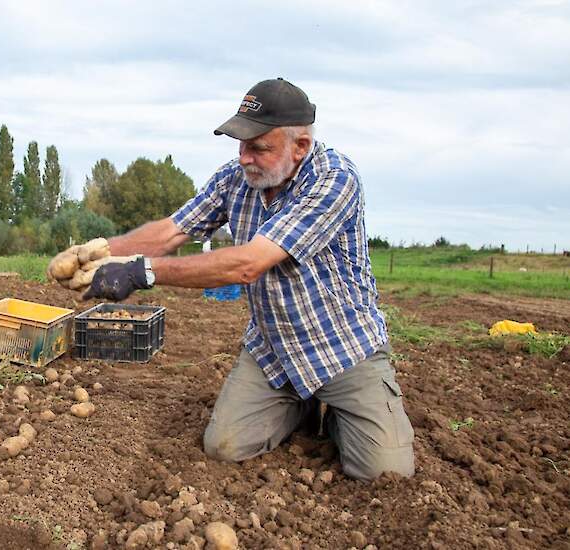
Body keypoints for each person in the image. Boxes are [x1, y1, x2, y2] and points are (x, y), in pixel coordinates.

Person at [59, 78, 414, 480]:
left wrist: (140, 271)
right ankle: (297, 404)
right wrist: (104, 251)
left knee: (385, 474)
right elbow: (174, 230)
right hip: (273, 349)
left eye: (259, 147)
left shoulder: (335, 180)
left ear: (300, 147)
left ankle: (338, 412)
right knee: (223, 446)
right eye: (241, 144)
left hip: (344, 350)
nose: (245, 157)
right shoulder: (235, 178)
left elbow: (248, 264)